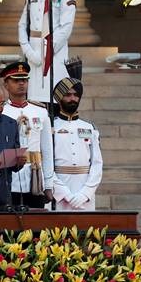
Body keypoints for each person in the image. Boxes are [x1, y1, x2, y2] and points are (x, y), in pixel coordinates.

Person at [18, 0, 77, 104]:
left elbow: (65, 29)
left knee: (54, 102)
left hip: (54, 55)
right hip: (32, 55)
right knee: (33, 102)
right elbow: (22, 25)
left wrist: (44, 54)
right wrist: (28, 51)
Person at [0, 62, 54, 208]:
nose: (21, 83)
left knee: (36, 226)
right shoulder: (1, 111)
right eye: (16, 80)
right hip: (10, 177)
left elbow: (47, 150)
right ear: (6, 84)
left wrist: (49, 184)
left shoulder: (40, 111)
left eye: (24, 79)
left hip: (34, 177)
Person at [51, 78, 103, 211]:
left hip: (85, 193)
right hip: (59, 192)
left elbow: (97, 163)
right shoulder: (51, 128)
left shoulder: (89, 127)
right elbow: (47, 165)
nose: (72, 98)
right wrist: (65, 194)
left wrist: (85, 193)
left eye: (75, 95)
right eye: (68, 95)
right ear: (60, 98)